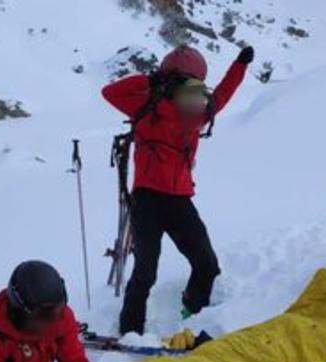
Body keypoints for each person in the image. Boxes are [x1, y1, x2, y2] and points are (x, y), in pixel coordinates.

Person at [102, 44, 255, 335]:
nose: (191, 92)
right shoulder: (144, 105)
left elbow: (221, 95)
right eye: (185, 84)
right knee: (145, 273)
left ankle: (193, 313)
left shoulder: (196, 111)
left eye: (195, 86)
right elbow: (109, 93)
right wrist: (149, 81)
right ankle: (130, 333)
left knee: (206, 264)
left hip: (180, 200)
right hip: (147, 199)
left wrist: (240, 65)